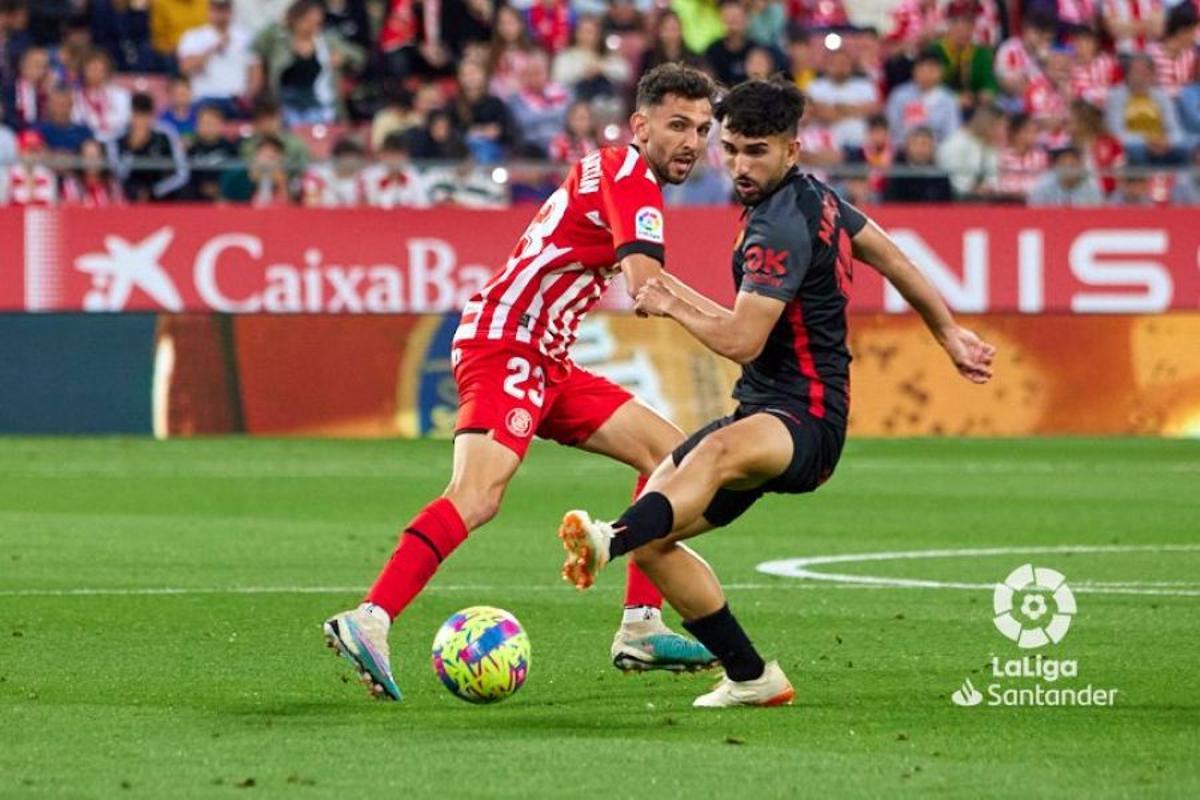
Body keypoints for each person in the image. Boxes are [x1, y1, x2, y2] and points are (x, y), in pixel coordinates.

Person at [555, 77, 996, 707]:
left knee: (708, 458)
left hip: (806, 418)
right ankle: (750, 675)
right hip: (765, 412)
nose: (737, 164)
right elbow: (891, 257)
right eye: (729, 148)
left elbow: (741, 341)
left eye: (754, 151)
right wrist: (947, 330)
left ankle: (606, 539)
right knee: (658, 543)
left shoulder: (778, 228)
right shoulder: (817, 199)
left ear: (791, 150)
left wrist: (672, 304)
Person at [323, 64, 723, 702]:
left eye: (702, 129)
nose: (692, 142)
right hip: (507, 343)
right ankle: (370, 618)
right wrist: (736, 328)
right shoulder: (632, 180)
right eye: (678, 126)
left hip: (548, 356)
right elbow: (647, 288)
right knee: (477, 494)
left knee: (670, 457)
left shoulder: (615, 166)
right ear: (642, 125)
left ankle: (642, 625)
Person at [176, 0, 258, 116]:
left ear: (231, 11)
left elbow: (256, 73)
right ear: (209, 10)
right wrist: (213, 50)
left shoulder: (246, 37)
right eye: (217, 9)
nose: (221, 15)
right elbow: (184, 68)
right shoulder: (193, 37)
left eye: (224, 9)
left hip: (236, 98)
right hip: (204, 97)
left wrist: (247, 97)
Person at [107, 92, 189, 203]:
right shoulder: (118, 138)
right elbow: (117, 175)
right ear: (131, 115)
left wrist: (154, 191)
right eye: (137, 115)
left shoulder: (166, 134)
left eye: (144, 116)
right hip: (130, 198)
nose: (140, 122)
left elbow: (182, 173)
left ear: (151, 116)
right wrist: (131, 149)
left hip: (162, 196)